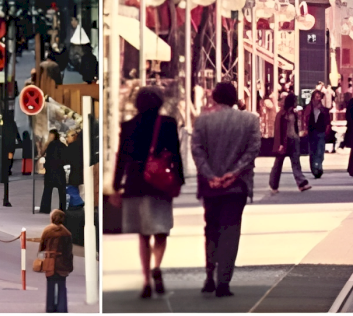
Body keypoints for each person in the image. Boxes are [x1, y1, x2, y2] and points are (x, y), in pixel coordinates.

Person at [110, 86, 182, 299]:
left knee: (143, 234)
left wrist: (116, 186)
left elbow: (121, 157)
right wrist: (178, 181)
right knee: (161, 231)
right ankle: (157, 266)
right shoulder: (168, 124)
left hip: (135, 185)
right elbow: (176, 155)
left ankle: (145, 279)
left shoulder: (129, 125)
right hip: (160, 185)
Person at [190, 81, 260, 298]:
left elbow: (197, 150)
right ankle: (224, 281)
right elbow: (252, 150)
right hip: (236, 187)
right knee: (230, 231)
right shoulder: (250, 120)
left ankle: (209, 275)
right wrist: (234, 173)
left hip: (210, 186)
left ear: (215, 97)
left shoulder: (203, 120)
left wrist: (211, 176)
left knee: (211, 229)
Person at [269, 93, 312, 192]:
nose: (296, 103)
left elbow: (296, 126)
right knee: (278, 164)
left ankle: (301, 183)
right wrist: (279, 143)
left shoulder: (294, 113)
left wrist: (298, 135)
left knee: (296, 162)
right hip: (284, 141)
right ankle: (273, 184)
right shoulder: (281, 114)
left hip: (294, 139)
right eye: (295, 101)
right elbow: (278, 129)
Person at [38, 208, 75, 312]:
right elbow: (69, 251)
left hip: (50, 261)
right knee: (62, 285)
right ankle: (62, 307)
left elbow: (42, 246)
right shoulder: (67, 233)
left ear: (52, 218)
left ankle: (50, 307)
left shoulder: (47, 230)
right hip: (62, 262)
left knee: (50, 285)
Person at [305, 91, 332, 179]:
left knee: (320, 151)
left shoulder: (324, 110)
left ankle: (318, 166)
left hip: (320, 131)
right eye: (316, 97)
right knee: (312, 151)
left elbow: (327, 121)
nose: (318, 99)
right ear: (313, 98)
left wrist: (327, 129)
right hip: (311, 132)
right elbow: (305, 119)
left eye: (319, 97)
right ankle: (314, 168)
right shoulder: (309, 108)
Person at [39, 130, 68, 213]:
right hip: (59, 170)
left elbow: (41, 153)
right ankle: (63, 209)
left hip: (51, 170)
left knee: (47, 190)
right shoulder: (62, 145)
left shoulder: (50, 145)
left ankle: (45, 208)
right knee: (62, 191)